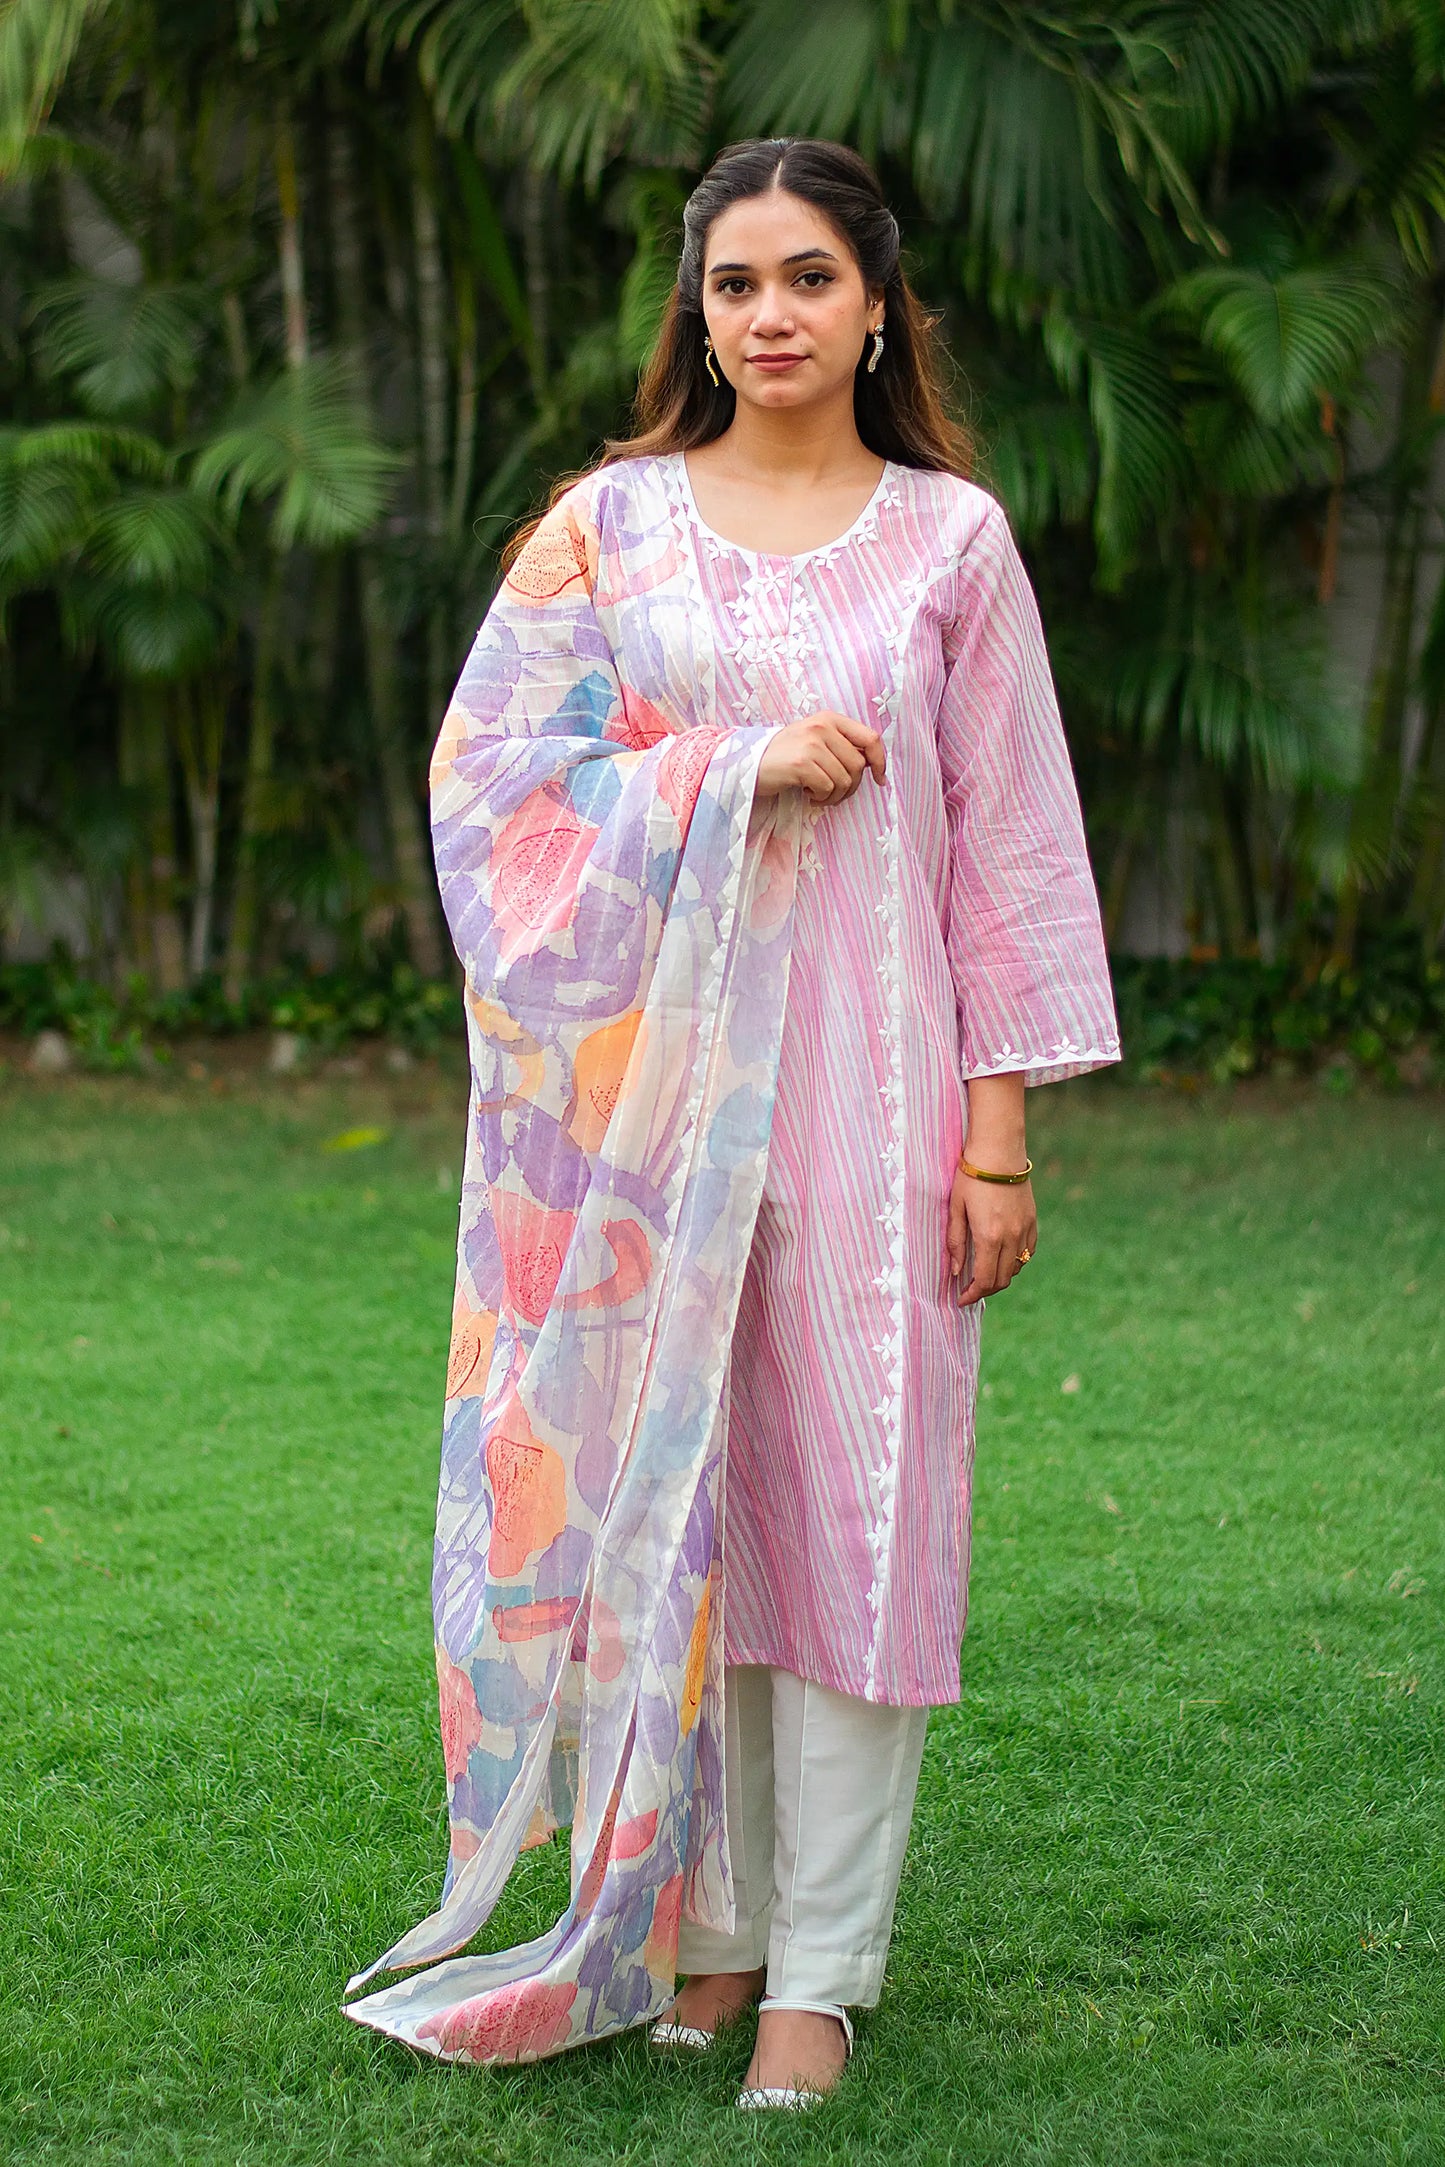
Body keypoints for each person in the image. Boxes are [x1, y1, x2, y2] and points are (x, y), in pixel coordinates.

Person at [344, 137, 1119, 2108]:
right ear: (698, 312)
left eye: (808, 280)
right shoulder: (612, 528)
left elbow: (1009, 855)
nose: (768, 316)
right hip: (658, 1130)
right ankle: (705, 1925)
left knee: (856, 1516)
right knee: (683, 1505)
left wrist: (997, 1134)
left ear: (878, 308)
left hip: (878, 1105)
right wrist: (733, 766)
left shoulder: (953, 547)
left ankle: (821, 1973)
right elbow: (490, 778)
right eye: (734, 285)